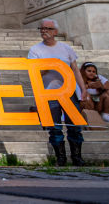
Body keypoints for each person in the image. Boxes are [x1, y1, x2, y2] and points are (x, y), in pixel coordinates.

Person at [28, 18, 85, 166]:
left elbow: (75, 70)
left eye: (47, 28)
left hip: (70, 92)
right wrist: (47, 67)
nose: (43, 31)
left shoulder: (66, 49)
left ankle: (77, 157)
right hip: (49, 93)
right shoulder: (35, 50)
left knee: (74, 125)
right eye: (41, 28)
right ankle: (61, 158)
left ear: (55, 32)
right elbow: (34, 73)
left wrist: (83, 89)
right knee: (54, 127)